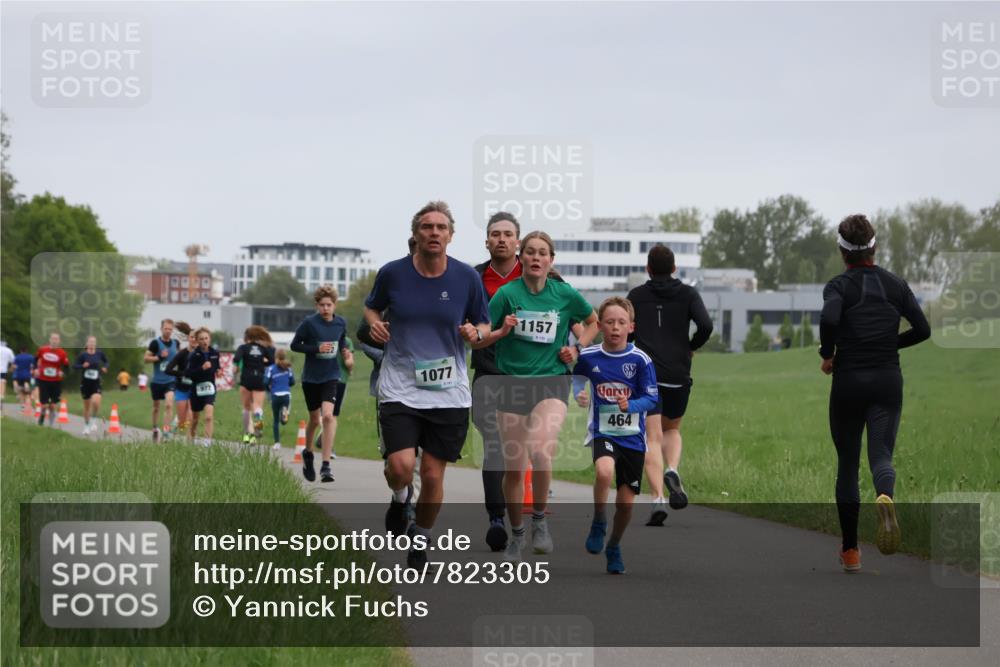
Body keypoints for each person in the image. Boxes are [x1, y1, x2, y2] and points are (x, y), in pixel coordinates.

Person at [364, 200, 492, 570]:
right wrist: (375, 323)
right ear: (415, 234)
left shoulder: (466, 278)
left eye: (440, 228)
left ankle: (419, 538)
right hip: (400, 386)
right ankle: (401, 497)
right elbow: (372, 307)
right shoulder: (393, 273)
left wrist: (475, 331)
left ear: (450, 236)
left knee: (434, 474)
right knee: (400, 466)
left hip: (448, 390)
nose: (433, 233)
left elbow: (483, 326)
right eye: (426, 227)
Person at [820, 214, 931, 572]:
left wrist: (828, 354)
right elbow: (924, 329)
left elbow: (830, 320)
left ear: (843, 251)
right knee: (881, 456)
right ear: (874, 247)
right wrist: (890, 343)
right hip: (887, 380)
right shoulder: (895, 285)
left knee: (848, 465)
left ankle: (851, 551)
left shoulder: (838, 286)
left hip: (849, 381)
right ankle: (885, 496)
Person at [480, 230, 599, 562]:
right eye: (530, 252)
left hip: (551, 383)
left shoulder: (563, 294)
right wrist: (501, 331)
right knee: (514, 468)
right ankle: (518, 534)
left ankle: (540, 520)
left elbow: (593, 322)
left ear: (550, 260)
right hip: (511, 384)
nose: (535, 258)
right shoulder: (506, 294)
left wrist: (576, 348)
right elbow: (481, 336)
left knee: (540, 449)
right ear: (522, 257)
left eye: (542, 253)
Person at [627, 244, 713, 525]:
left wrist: (629, 352)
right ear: (674, 268)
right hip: (678, 373)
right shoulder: (688, 293)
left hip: (647, 372)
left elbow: (626, 330)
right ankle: (672, 468)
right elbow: (706, 325)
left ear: (648, 269)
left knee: (651, 437)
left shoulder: (636, 296)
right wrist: (690, 347)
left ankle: (658, 499)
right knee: (672, 429)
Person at [573, 297, 658, 573]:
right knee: (604, 472)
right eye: (609, 322)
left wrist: (630, 405)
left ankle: (614, 544)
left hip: (633, 437)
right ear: (600, 325)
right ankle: (599, 520)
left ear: (631, 327)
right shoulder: (588, 357)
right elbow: (575, 377)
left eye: (621, 323)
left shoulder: (641, 360)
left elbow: (651, 399)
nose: (615, 328)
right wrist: (580, 393)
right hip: (603, 431)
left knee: (625, 504)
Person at [291, 285, 354, 482]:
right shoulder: (309, 323)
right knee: (315, 420)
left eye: (329, 305)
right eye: (322, 305)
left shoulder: (341, 323)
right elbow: (295, 345)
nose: (325, 308)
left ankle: (326, 466)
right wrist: (316, 348)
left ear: (335, 305)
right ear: (317, 306)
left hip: (331, 376)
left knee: (328, 417)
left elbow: (341, 340)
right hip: (311, 378)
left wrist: (345, 351)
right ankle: (308, 454)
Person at [234, 325, 276, 444]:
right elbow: (272, 361)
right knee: (257, 406)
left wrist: (236, 368)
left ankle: (248, 435)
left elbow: (236, 359)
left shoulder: (243, 347)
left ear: (247, 337)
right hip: (259, 378)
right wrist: (263, 362)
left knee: (246, 408)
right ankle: (259, 419)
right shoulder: (263, 348)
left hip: (246, 378)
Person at [143, 319, 178, 442]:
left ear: (172, 330)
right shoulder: (155, 343)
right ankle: (154, 428)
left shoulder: (176, 343)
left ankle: (166, 431)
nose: (168, 331)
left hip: (171, 380)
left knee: (169, 404)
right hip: (157, 381)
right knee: (156, 407)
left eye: (170, 329)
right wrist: (159, 357)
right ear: (161, 329)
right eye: (166, 328)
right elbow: (146, 358)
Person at [186, 327, 221, 447]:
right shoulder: (193, 355)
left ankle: (207, 443)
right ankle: (191, 440)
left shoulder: (215, 354)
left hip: (210, 388)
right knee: (195, 419)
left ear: (210, 339)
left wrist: (218, 371)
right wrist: (202, 368)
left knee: (209, 416)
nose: (204, 341)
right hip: (196, 389)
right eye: (201, 339)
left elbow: (217, 367)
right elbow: (189, 374)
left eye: (206, 338)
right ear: (197, 341)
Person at [165, 324, 196, 439]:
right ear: (188, 338)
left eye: (196, 337)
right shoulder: (182, 354)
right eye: (192, 337)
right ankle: (175, 424)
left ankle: (190, 442)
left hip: (195, 389)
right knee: (182, 423)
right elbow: (168, 369)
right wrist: (182, 374)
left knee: (191, 416)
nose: (194, 339)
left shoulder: (201, 354)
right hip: (181, 388)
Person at [73, 335, 109, 435]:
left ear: (95, 344)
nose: (92, 344)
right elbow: (75, 366)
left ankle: (94, 420)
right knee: (87, 407)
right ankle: (86, 426)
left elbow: (106, 361)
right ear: (87, 343)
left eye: (94, 342)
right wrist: (82, 365)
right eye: (90, 342)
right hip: (85, 384)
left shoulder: (99, 353)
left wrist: (105, 367)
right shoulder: (83, 355)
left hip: (96, 383)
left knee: (96, 402)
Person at [34, 332, 70, 426]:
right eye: (53, 339)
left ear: (59, 341)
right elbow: (35, 360)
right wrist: (36, 369)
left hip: (56, 381)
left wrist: (63, 372)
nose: (54, 341)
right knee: (45, 405)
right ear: (49, 340)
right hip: (43, 380)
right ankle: (42, 416)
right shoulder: (42, 350)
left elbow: (67, 367)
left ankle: (51, 425)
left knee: (53, 405)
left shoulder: (62, 353)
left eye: (56, 339)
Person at [265, 349, 296, 450]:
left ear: (275, 357)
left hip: (275, 395)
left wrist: (269, 388)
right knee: (283, 420)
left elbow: (265, 382)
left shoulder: (271, 369)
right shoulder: (288, 369)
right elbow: (293, 382)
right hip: (286, 395)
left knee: (275, 420)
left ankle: (277, 443)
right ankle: (284, 412)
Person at [12, 347, 36, 413]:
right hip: (27, 374)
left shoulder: (17, 357)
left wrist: (15, 370)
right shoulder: (30, 357)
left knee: (21, 391)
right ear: (26, 351)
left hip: (19, 374)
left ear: (20, 351)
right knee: (26, 384)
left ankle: (22, 406)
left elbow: (14, 366)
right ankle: (28, 390)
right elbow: (33, 366)